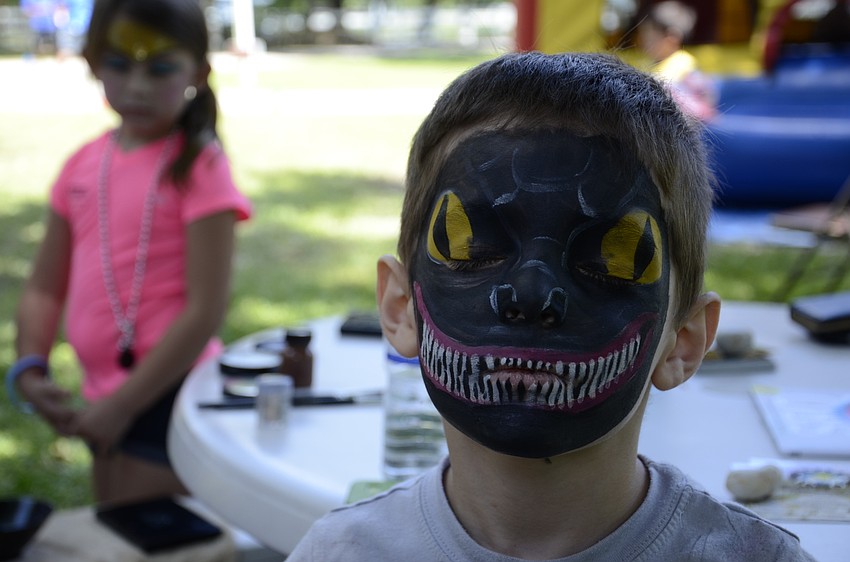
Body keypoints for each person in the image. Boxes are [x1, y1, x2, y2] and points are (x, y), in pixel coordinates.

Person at [285, 52, 816, 560]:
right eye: (468, 244)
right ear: (400, 308)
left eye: (612, 260)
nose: (532, 296)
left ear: (685, 340)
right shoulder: (340, 553)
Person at [6, 0, 251, 505]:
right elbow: (44, 288)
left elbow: (205, 310)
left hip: (172, 393)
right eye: (119, 65)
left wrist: (123, 405)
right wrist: (29, 366)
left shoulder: (199, 168)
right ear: (93, 63)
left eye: (160, 68)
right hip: (105, 396)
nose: (137, 86)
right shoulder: (81, 165)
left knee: (146, 539)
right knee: (113, 520)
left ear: (197, 72)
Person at [636, 0, 717, 122]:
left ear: (671, 39)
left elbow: (705, 100)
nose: (645, 43)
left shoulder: (685, 66)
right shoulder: (653, 65)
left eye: (651, 38)